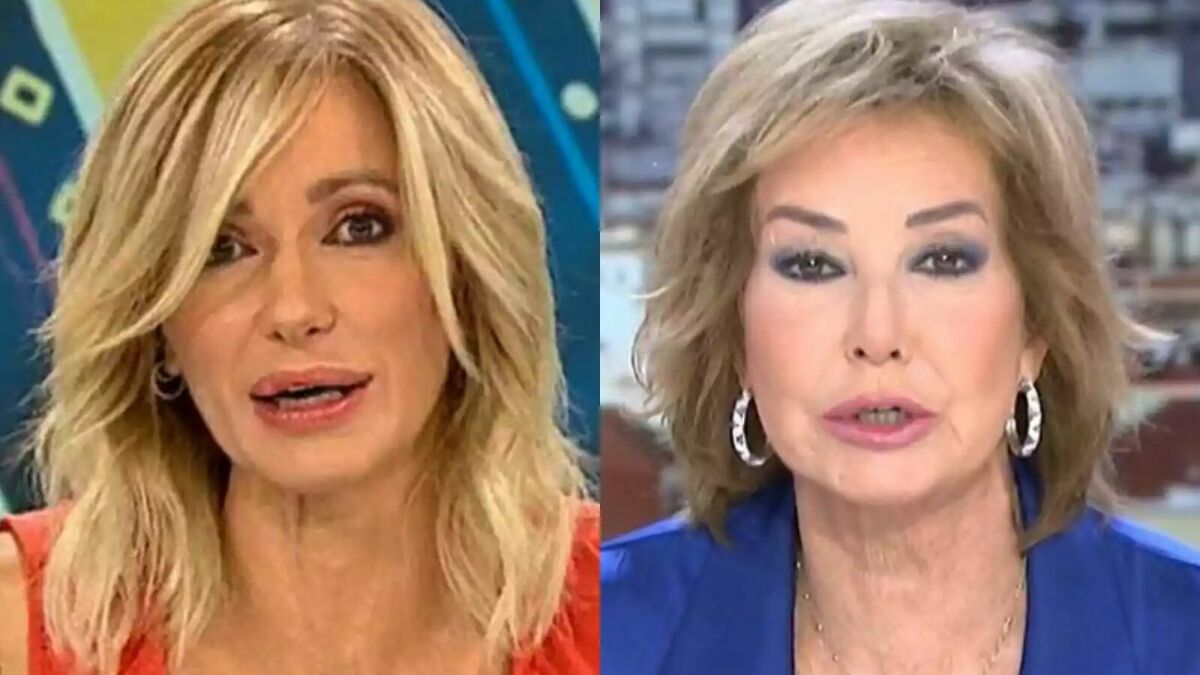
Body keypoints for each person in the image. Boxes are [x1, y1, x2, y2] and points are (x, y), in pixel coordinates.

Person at [601, 1, 1200, 673]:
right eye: (812, 265)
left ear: (1036, 325)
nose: (877, 334)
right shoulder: (609, 632)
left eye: (941, 260)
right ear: (734, 331)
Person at [0, 1, 598, 673]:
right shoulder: (17, 627)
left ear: (465, 274)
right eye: (222, 248)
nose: (293, 308)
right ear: (157, 325)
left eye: (359, 227)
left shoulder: (626, 610)